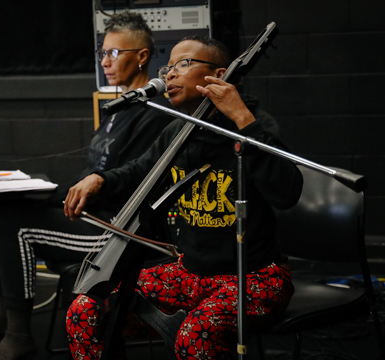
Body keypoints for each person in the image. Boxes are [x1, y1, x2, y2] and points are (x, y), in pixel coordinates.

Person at [64, 36, 304, 360]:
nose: (170, 74)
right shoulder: (177, 130)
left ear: (218, 76)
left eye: (183, 64)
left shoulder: (252, 125)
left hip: (255, 276)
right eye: (168, 66)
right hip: (189, 273)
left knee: (197, 336)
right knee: (87, 309)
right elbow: (138, 173)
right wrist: (99, 179)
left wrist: (244, 121)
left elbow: (287, 192)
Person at [0, 12, 174, 360]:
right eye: (102, 53)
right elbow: (92, 173)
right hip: (91, 213)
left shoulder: (155, 114)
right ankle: (3, 316)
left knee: (15, 225)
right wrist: (41, 192)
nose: (105, 61)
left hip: (116, 230)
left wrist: (55, 196)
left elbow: (124, 185)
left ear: (143, 56)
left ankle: (18, 335)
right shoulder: (118, 110)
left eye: (114, 53)